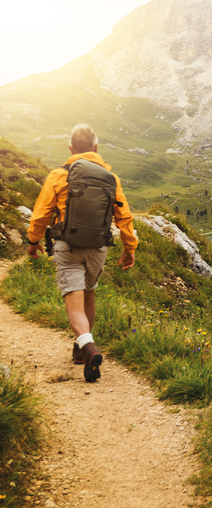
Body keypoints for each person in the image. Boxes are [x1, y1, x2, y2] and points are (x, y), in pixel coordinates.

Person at [27, 123, 138, 382]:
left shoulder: (58, 175)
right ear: (96, 148)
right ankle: (80, 350)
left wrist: (33, 242)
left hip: (68, 246)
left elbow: (42, 214)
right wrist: (129, 248)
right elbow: (124, 216)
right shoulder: (111, 178)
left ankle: (89, 346)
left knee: (73, 304)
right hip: (98, 247)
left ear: (71, 148)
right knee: (89, 296)